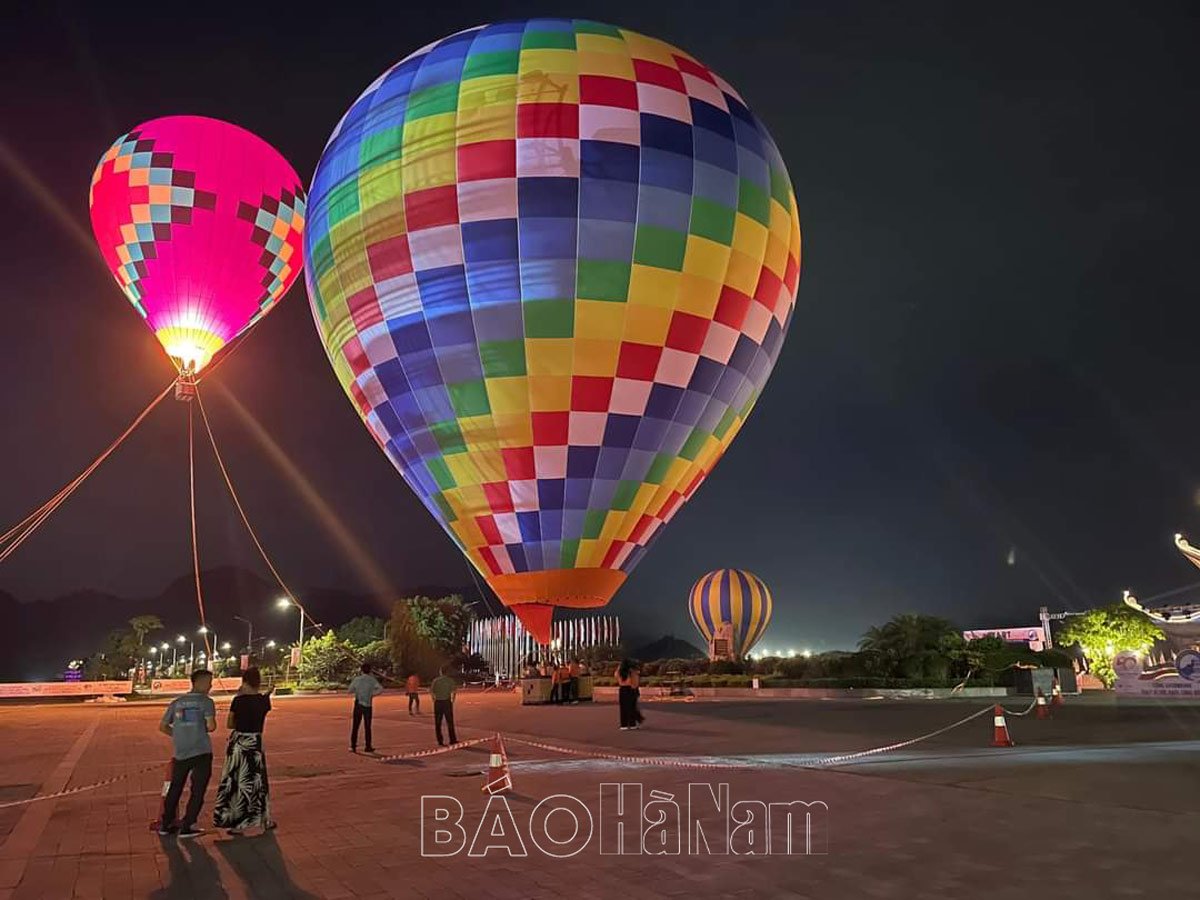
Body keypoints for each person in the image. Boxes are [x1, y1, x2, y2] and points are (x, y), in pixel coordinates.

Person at [213, 667, 275, 835]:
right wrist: (266, 694)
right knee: (258, 781)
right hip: (255, 743)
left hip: (240, 743)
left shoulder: (238, 701)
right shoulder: (263, 701)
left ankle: (235, 821)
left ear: (244, 681)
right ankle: (265, 819)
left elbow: (230, 724)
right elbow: (262, 703)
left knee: (236, 780)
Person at [158, 669, 217, 837]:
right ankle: (187, 825)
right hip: (201, 752)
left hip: (181, 752)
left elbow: (163, 726)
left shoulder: (177, 702)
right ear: (199, 682)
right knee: (197, 790)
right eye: (208, 682)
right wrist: (197, 731)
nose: (210, 686)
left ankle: (165, 823)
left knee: (175, 788)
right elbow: (211, 726)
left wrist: (179, 735)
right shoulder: (206, 702)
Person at [348, 662, 383, 753]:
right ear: (370, 670)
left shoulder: (357, 679)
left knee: (355, 725)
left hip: (358, 703)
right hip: (368, 704)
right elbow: (380, 689)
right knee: (367, 726)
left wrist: (357, 691)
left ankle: (353, 746)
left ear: (361, 670)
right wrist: (371, 694)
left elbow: (350, 690)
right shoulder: (372, 680)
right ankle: (368, 746)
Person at [429, 666, 457, 746]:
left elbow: (432, 692)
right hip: (447, 702)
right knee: (450, 722)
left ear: (440, 672)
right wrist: (452, 700)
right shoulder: (450, 680)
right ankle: (452, 739)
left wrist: (434, 699)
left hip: (438, 702)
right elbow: (453, 692)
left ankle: (440, 740)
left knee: (438, 722)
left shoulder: (436, 681)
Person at [615, 659, 639, 731]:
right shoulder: (631, 672)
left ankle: (624, 724)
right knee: (632, 707)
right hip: (630, 689)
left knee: (623, 707)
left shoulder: (619, 672)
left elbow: (615, 675)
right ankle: (632, 724)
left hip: (622, 689)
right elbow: (635, 682)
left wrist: (619, 667)